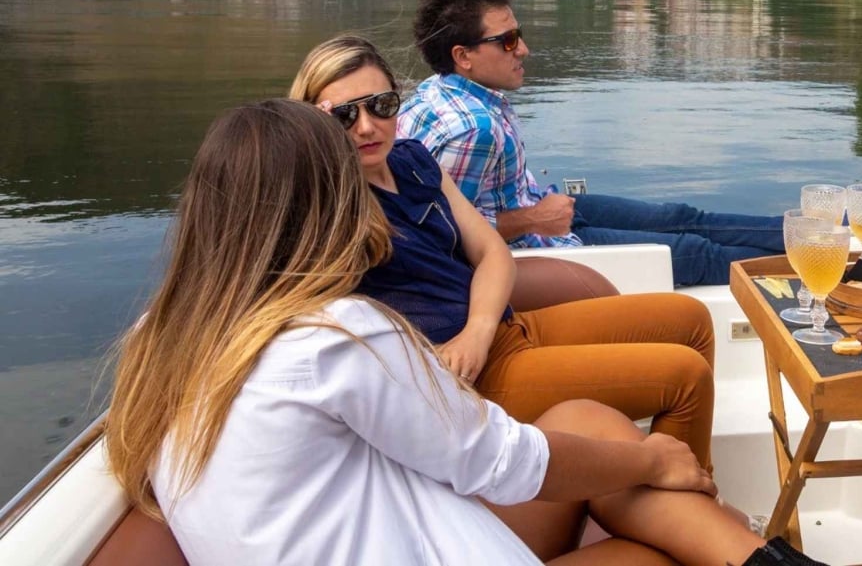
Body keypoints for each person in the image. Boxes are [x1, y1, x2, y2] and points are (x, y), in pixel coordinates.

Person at [105, 99, 823, 566]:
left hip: (420, 524)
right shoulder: (332, 339)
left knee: (585, 420)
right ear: (324, 208)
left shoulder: (160, 340)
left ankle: (764, 559)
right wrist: (653, 463)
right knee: (648, 550)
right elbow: (498, 461)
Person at [291, 36, 717, 468]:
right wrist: (314, 145)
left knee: (692, 319)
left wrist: (479, 329)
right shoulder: (330, 204)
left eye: (380, 105)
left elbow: (492, 250)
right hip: (465, 376)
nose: (366, 126)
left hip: (498, 332)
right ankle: (695, 500)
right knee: (686, 375)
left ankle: (678, 482)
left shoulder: (412, 160)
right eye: (344, 115)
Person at [397, 0, 786, 286]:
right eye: (508, 41)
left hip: (543, 210)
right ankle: (816, 270)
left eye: (520, 34)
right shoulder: (471, 131)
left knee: (680, 216)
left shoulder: (438, 90)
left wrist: (538, 211)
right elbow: (446, 235)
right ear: (463, 56)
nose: (524, 50)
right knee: (696, 253)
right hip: (537, 243)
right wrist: (534, 219)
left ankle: (810, 237)